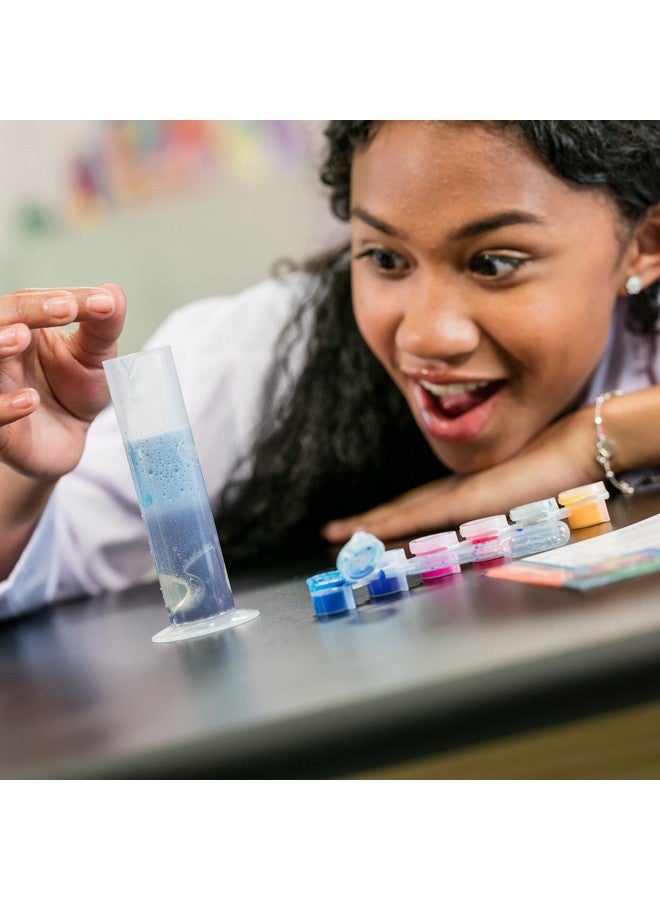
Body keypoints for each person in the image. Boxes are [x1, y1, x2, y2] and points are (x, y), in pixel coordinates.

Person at [1, 120, 659, 620]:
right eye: (385, 259)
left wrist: (591, 441)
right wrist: (20, 472)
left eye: (494, 263)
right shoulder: (264, 357)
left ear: (644, 245)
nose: (427, 335)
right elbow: (47, 553)